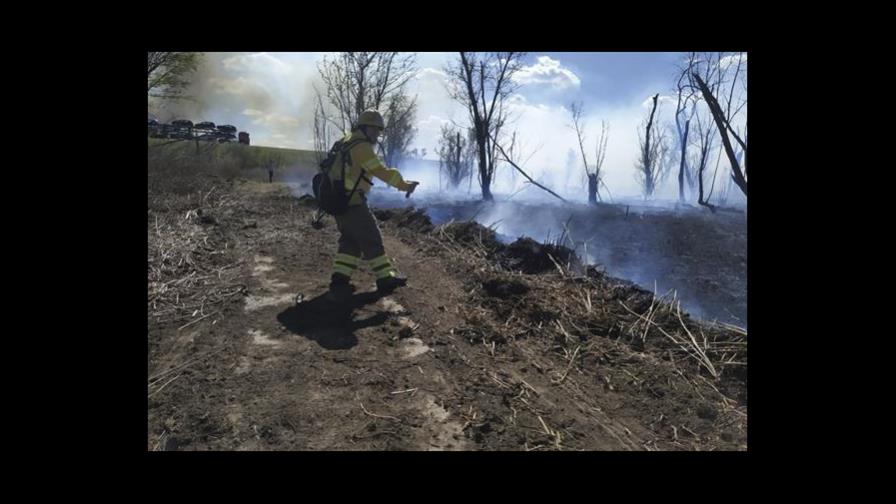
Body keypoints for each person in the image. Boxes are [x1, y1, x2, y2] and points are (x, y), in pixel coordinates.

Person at [327, 109, 419, 303]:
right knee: (372, 238)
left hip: (338, 201)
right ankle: (386, 278)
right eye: (375, 130)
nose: (377, 134)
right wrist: (405, 185)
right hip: (352, 203)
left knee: (350, 240)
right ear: (365, 127)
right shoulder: (361, 147)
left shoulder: (346, 141)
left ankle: (340, 277)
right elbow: (381, 171)